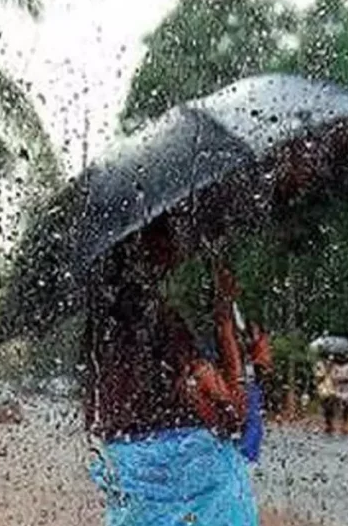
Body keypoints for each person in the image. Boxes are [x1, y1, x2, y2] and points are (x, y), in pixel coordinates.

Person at [85, 219, 272, 526]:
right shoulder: (162, 324)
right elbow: (234, 411)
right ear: (144, 247)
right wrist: (225, 321)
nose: (177, 245)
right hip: (206, 498)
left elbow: (95, 420)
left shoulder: (101, 331)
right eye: (164, 235)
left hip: (130, 487)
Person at [330, 353, 348, 435]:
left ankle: (344, 425)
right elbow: (333, 377)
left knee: (347, 407)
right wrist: (342, 379)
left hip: (347, 389)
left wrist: (342, 379)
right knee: (336, 405)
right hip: (338, 389)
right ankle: (335, 424)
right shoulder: (334, 367)